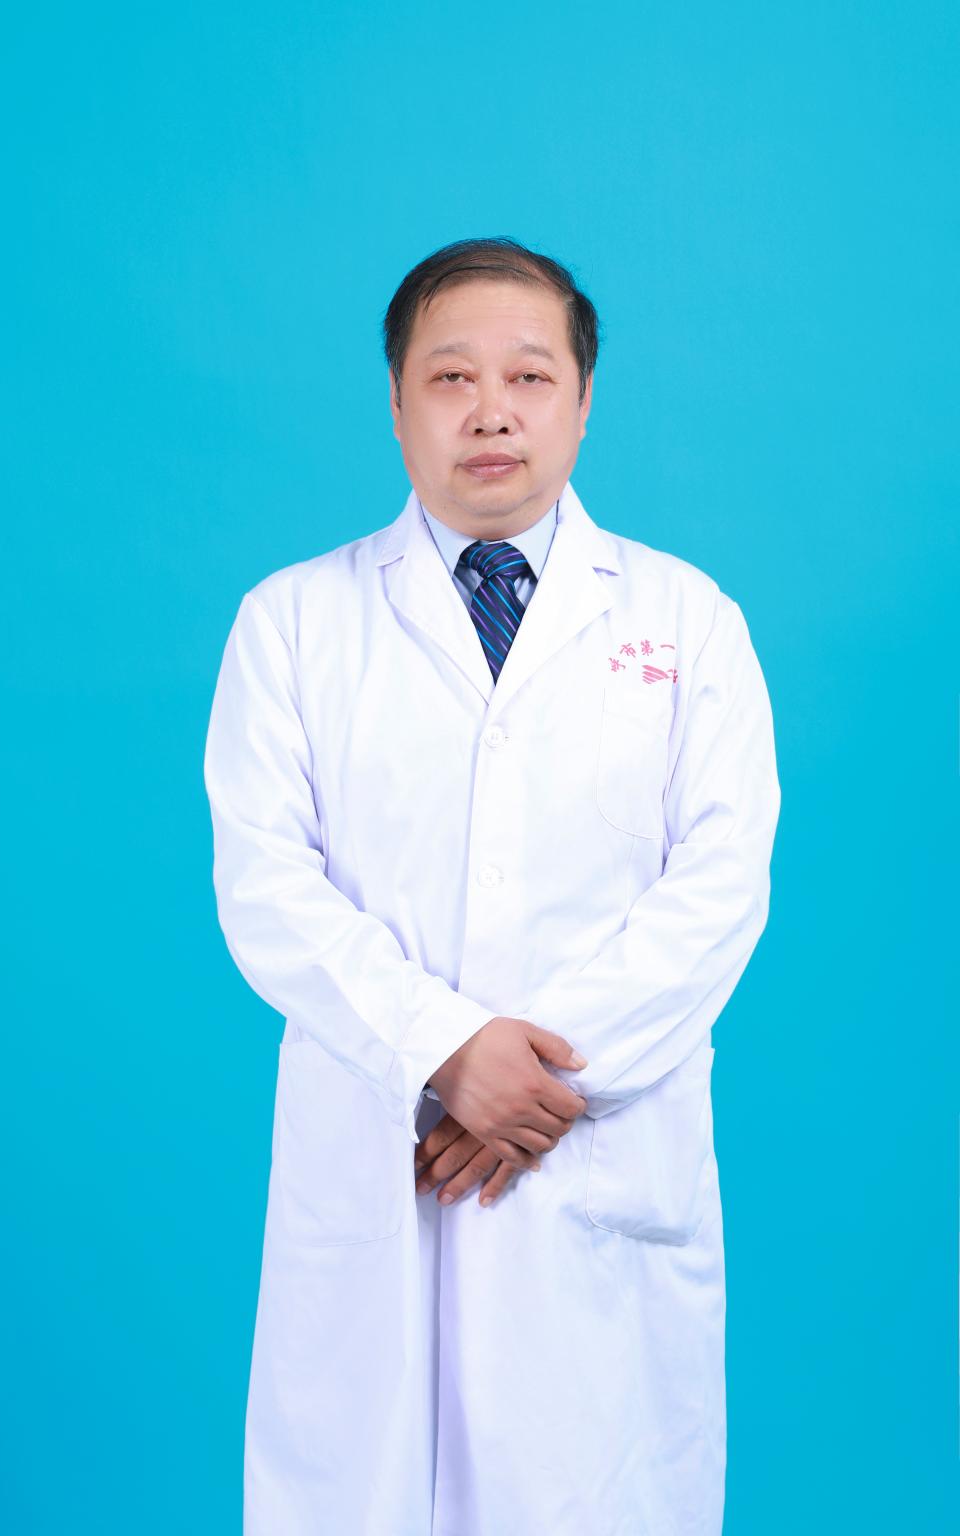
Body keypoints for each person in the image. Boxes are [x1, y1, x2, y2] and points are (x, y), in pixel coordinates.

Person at [203, 236, 781, 1536]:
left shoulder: (688, 620)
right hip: (384, 1146)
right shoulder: (291, 622)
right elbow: (267, 887)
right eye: (451, 376)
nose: (491, 411)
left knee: (593, 1486)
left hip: (595, 1160)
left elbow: (721, 883)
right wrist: (445, 1050)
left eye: (529, 375)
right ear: (397, 401)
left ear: (582, 399)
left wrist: (536, 1080)